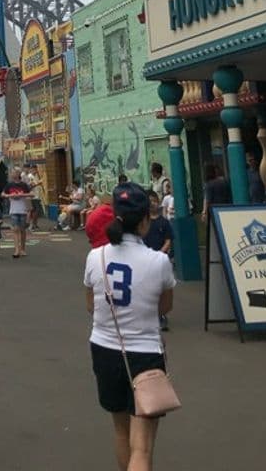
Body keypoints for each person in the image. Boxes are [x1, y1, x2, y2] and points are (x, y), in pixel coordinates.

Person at [84, 183, 175, 471]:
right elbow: (165, 307)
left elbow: (91, 305)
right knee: (143, 448)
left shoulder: (95, 256)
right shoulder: (159, 261)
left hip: (104, 349)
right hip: (145, 354)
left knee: (120, 431)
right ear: (145, 219)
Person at [144, 192, 174, 331]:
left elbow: (168, 241)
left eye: (154, 200)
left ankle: (161, 315)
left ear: (159, 202)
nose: (152, 203)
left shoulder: (164, 222)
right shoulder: (143, 223)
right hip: (144, 260)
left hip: (160, 261)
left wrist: (160, 254)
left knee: (161, 289)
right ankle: (148, 315)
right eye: (149, 201)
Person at [2, 169, 32, 258]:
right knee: (15, 229)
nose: (12, 174)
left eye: (14, 172)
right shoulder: (9, 185)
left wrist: (21, 195)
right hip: (13, 210)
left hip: (23, 210)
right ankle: (16, 250)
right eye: (12, 172)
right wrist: (9, 195)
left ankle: (22, 249)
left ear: (18, 174)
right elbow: (2, 194)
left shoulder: (24, 185)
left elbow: (31, 194)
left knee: (22, 230)